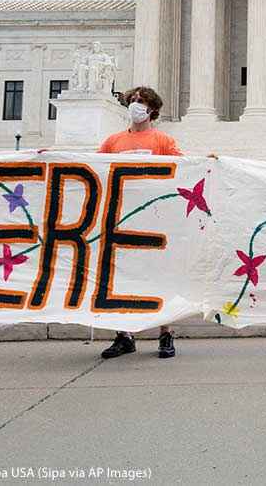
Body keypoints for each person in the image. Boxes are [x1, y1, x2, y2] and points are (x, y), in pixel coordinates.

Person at [98, 86, 183, 360]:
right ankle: (124, 335)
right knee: (121, 277)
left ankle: (166, 334)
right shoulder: (113, 142)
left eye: (142, 102)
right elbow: (90, 167)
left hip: (155, 217)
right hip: (122, 217)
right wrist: (49, 158)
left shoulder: (163, 141)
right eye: (133, 100)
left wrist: (210, 163)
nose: (136, 105)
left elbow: (184, 169)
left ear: (152, 109)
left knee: (160, 276)